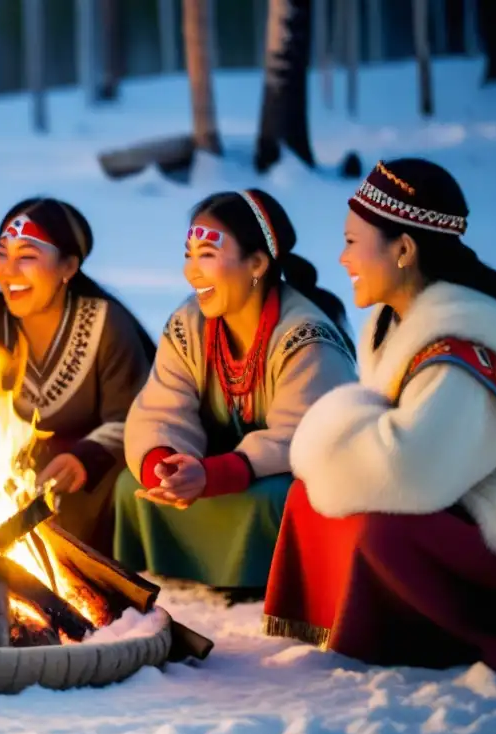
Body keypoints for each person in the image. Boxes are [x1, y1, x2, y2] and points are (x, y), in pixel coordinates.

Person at [263, 158, 496, 671]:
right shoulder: (393, 321)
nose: (341, 259)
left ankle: (420, 635)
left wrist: (328, 439)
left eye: (353, 243)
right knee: (310, 498)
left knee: (377, 529)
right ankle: (343, 619)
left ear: (404, 249)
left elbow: (407, 472)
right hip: (458, 488)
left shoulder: (460, 352)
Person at [117, 189, 357, 595]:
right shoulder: (189, 323)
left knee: (275, 499)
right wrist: (167, 467)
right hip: (211, 472)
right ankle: (160, 581)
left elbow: (302, 436)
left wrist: (212, 475)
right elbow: (161, 407)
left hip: (276, 478)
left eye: (207, 256)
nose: (191, 272)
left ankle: (263, 590)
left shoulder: (307, 338)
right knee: (131, 487)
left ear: (258, 264)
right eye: (189, 255)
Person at [0, 197, 156, 556]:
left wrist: (84, 459)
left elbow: (135, 416)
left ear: (68, 266)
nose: (9, 271)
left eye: (26, 256)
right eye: (2, 254)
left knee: (124, 486)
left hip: (88, 486)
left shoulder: (107, 326)